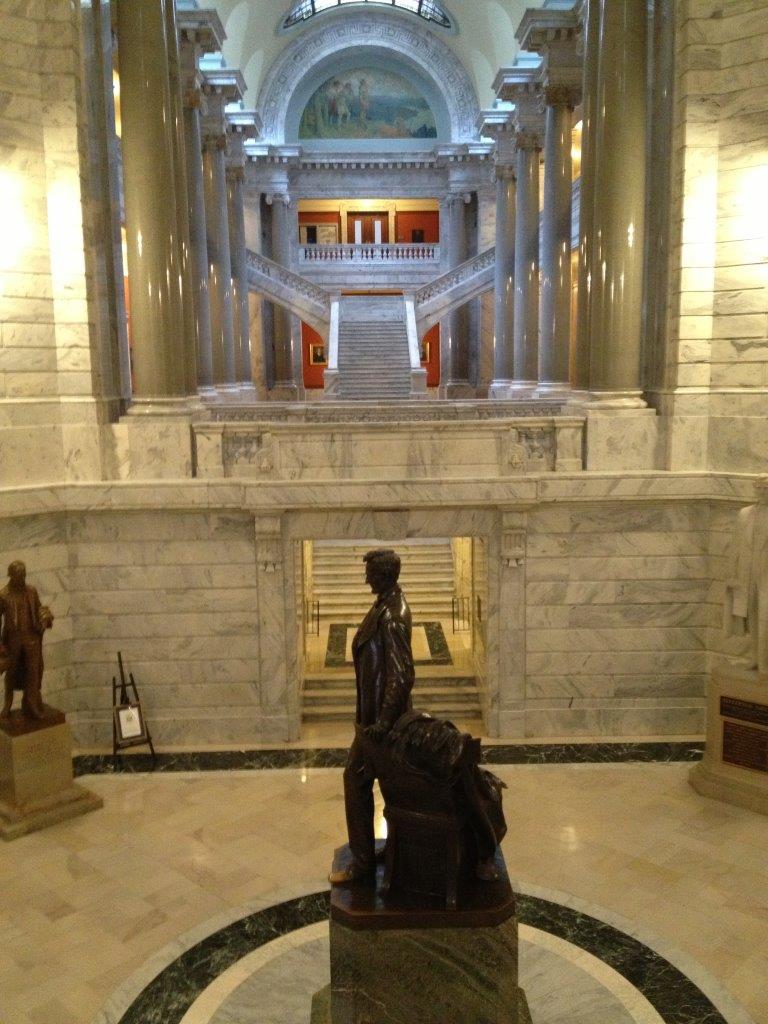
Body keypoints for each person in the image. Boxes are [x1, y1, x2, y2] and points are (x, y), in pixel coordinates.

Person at [330, 548, 415, 884]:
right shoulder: (385, 605)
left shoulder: (392, 615)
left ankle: (364, 864)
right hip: (374, 719)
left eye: (369, 572)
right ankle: (390, 849)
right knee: (390, 787)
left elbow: (402, 673)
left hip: (383, 724)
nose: (365, 578)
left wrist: (382, 721)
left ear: (383, 575)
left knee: (356, 779)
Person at [0, 561, 54, 720]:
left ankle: (32, 705)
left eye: (24, 574)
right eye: (19, 575)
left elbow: (38, 609)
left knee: (33, 673)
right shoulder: (3, 595)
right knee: (11, 673)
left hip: (32, 638)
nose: (22, 577)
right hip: (12, 640)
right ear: (11, 576)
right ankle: (7, 705)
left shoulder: (31, 591)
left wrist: (45, 616)